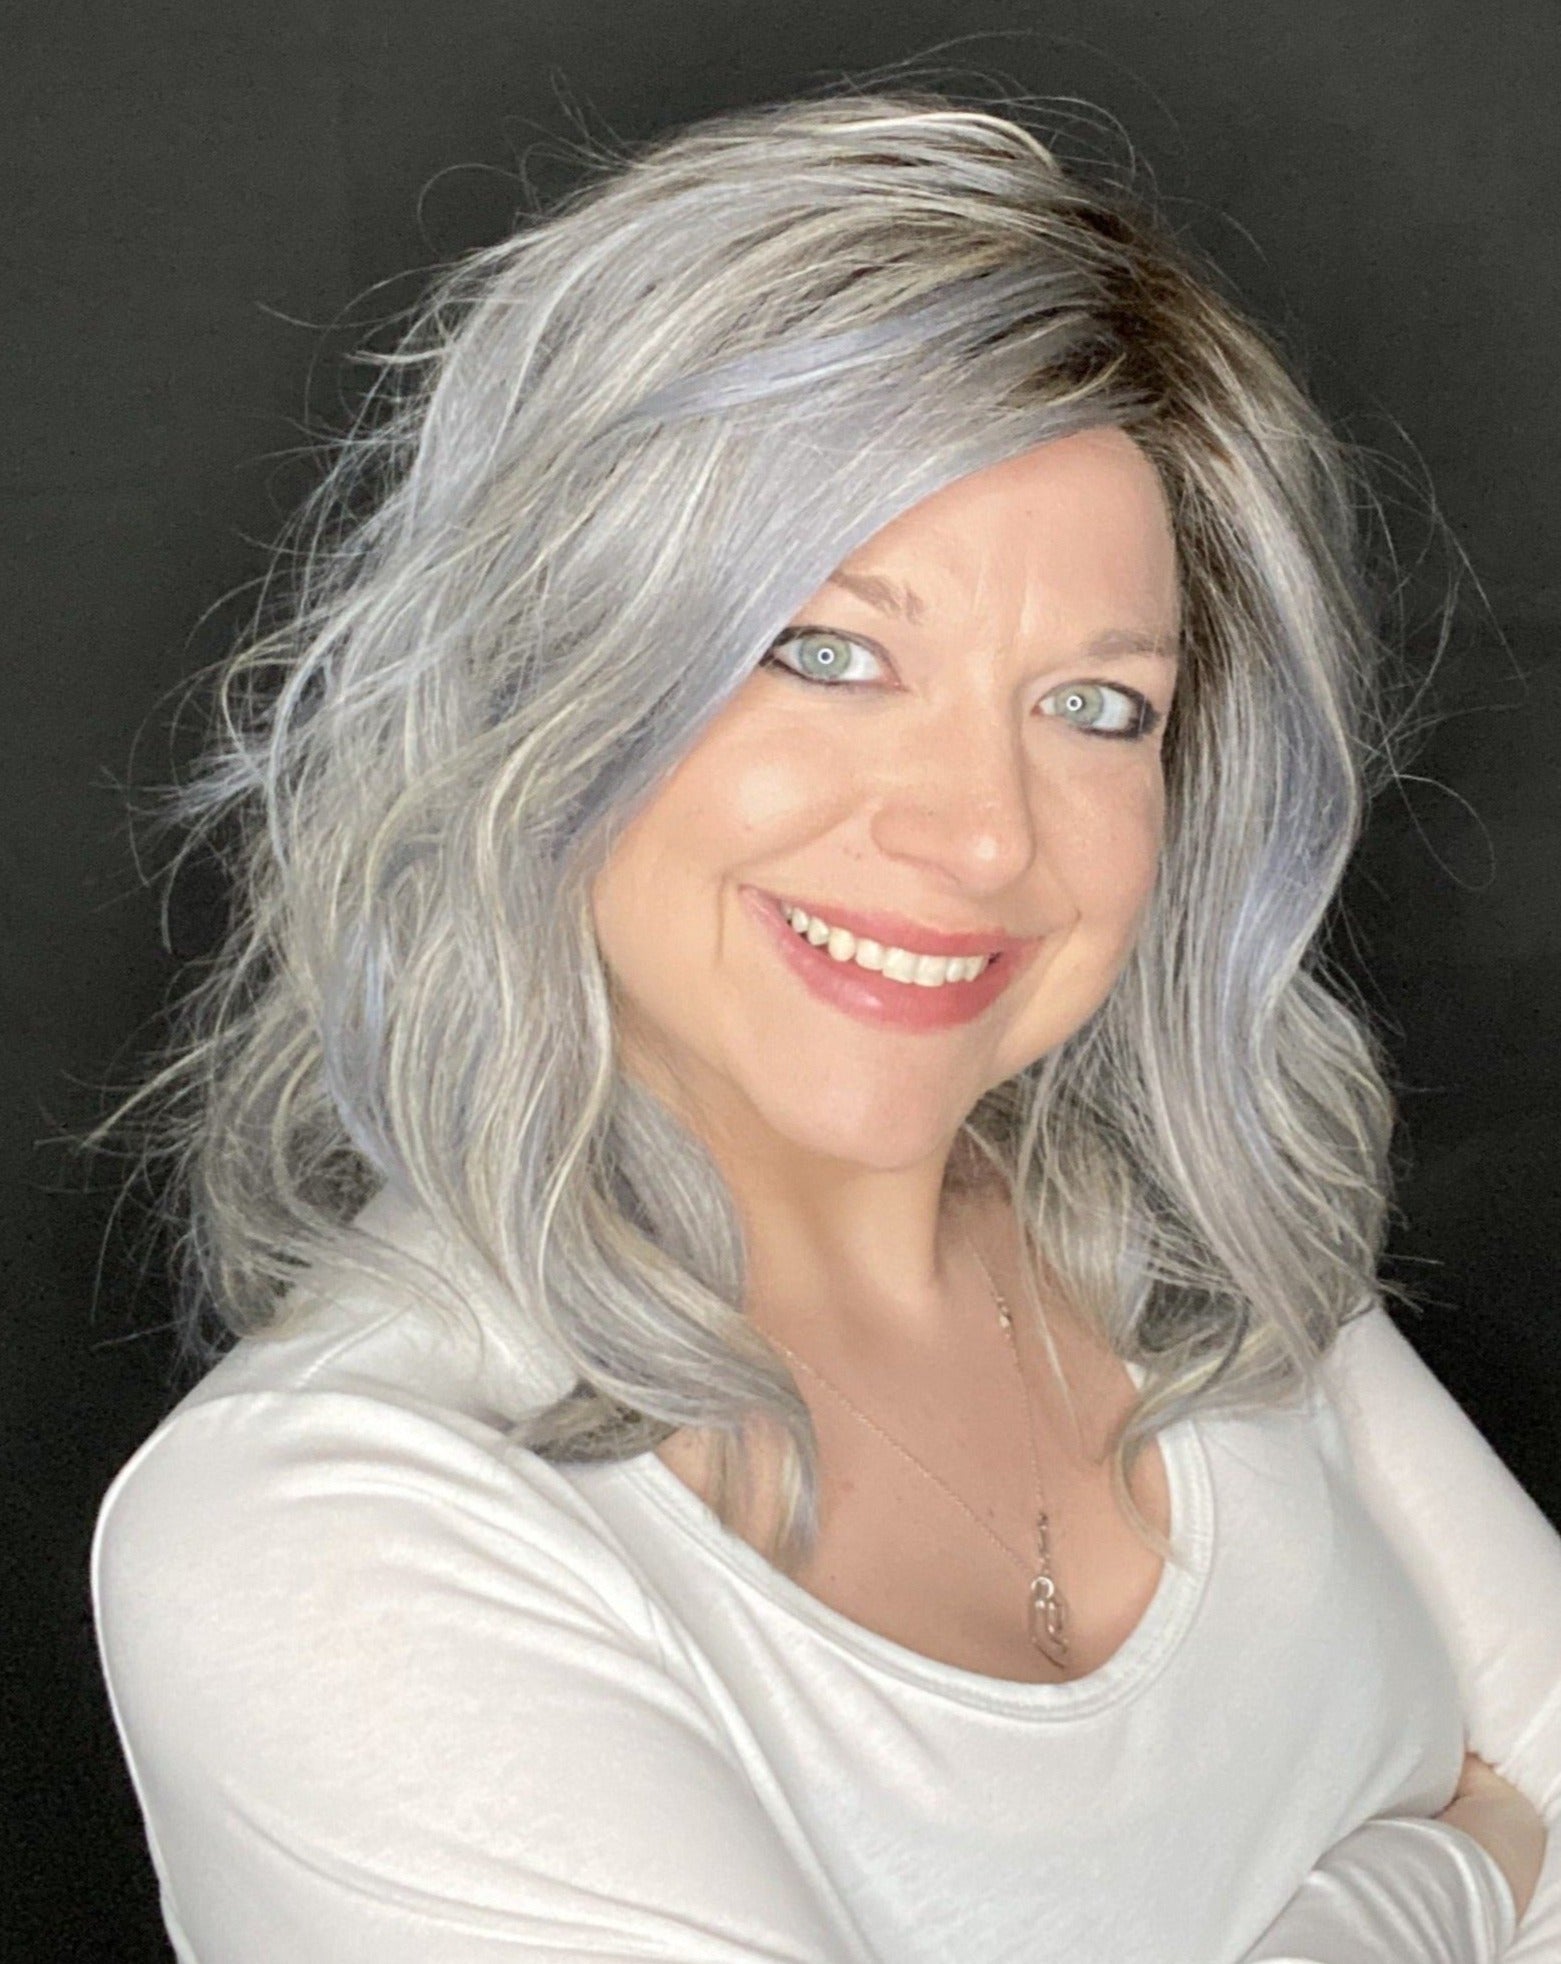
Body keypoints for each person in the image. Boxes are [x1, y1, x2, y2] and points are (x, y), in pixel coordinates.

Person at [87, 90, 1560, 1961]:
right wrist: (1435, 1881)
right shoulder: (322, 1524)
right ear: (555, 676)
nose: (981, 832)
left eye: (1095, 707)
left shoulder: (1199, 1259)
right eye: (828, 653)